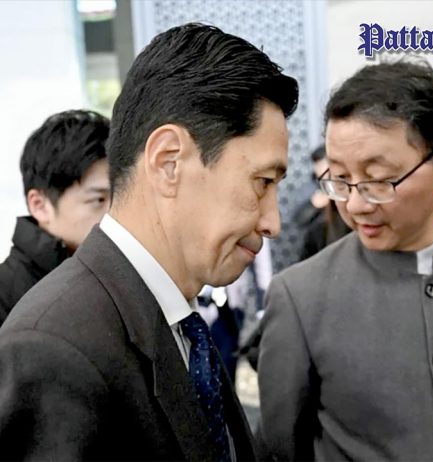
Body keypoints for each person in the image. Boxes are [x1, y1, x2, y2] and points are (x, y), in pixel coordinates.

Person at [0, 23, 298, 461]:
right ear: (168, 162)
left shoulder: (178, 319)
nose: (273, 222)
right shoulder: (52, 351)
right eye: (262, 181)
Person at [257, 61, 433, 461]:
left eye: (378, 180)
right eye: (340, 179)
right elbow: (280, 449)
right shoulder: (300, 297)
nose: (355, 205)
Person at [0, 110, 110, 325]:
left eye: (122, 197)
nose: (115, 213)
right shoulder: (6, 298)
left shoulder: (112, 275)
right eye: (98, 200)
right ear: (39, 206)